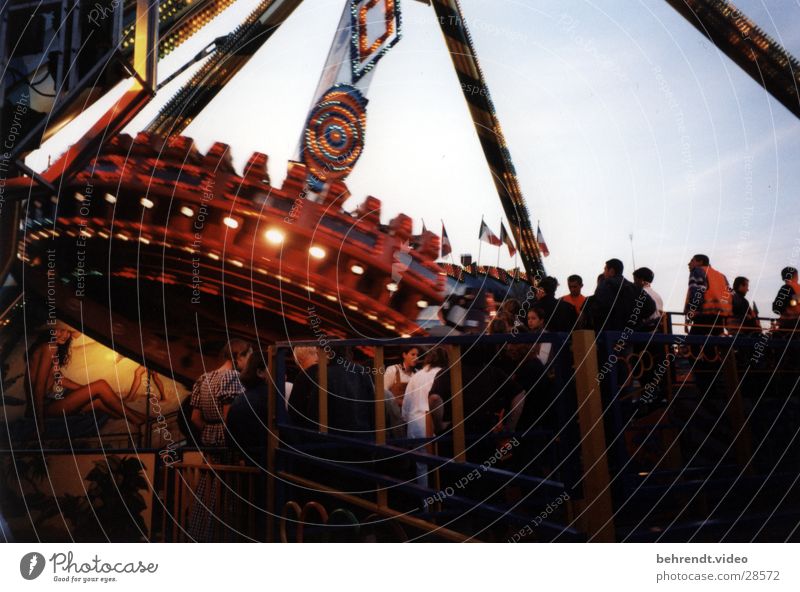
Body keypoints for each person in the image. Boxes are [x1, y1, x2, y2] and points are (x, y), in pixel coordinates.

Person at [26, 322, 148, 428]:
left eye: (68, 332)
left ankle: (147, 420)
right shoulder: (49, 347)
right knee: (101, 385)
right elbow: (38, 387)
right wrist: (39, 424)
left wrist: (86, 391)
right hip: (44, 408)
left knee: (99, 401)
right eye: (61, 330)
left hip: (51, 403)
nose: (65, 335)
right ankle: (140, 423)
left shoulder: (49, 347)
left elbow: (59, 379)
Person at [187, 338, 249, 542]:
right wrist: (221, 432)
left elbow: (195, 419)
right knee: (228, 493)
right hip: (226, 444)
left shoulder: (204, 378)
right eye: (249, 356)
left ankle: (201, 535)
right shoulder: (233, 377)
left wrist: (210, 432)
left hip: (209, 442)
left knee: (208, 491)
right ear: (239, 355)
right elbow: (229, 418)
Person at [288, 346, 375, 436]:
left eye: (319, 352)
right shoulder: (360, 371)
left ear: (328, 353)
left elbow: (309, 412)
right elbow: (372, 405)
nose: (318, 355)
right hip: (363, 435)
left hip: (332, 438)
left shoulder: (323, 374)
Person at [401, 347, 449, 487]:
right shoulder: (444, 374)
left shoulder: (417, 376)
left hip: (415, 426)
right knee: (440, 469)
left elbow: (406, 406)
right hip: (435, 426)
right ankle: (439, 503)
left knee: (421, 467)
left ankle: (426, 504)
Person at [595, 259, 656, 332]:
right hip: (631, 333)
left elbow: (599, 305)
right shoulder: (634, 287)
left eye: (605, 269)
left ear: (611, 270)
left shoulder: (605, 284)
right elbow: (651, 307)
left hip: (610, 332)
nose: (603, 273)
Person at [684, 254, 732, 337]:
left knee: (694, 342)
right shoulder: (722, 276)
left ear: (700, 262)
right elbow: (730, 295)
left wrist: (690, 314)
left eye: (692, 261)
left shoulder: (698, 271)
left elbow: (697, 293)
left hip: (703, 315)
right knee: (713, 344)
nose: (689, 263)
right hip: (719, 316)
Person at [633, 267, 664, 331]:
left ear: (641, 279)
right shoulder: (658, 296)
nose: (633, 283)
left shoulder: (639, 293)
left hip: (645, 330)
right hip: (658, 329)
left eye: (635, 280)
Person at [772, 266, 800, 334]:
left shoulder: (786, 288)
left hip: (789, 325)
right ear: (795, 275)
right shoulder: (797, 288)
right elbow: (795, 302)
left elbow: (777, 308)